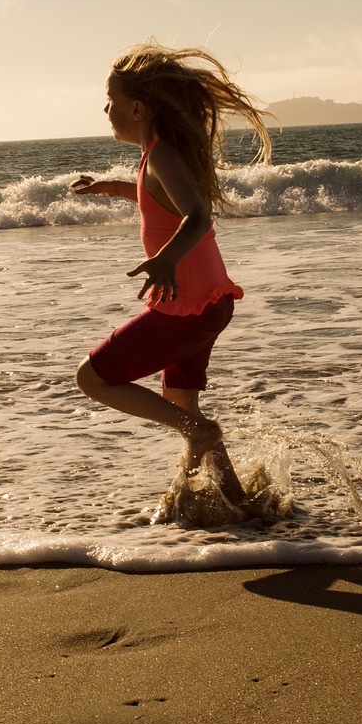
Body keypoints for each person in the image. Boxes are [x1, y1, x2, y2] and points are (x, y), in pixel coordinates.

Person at [71, 41, 272, 509]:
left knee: (92, 379)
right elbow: (156, 199)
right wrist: (113, 187)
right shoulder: (157, 156)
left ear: (137, 108)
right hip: (210, 304)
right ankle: (238, 506)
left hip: (186, 308)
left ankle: (199, 435)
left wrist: (164, 259)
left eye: (111, 101)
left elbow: (196, 217)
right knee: (181, 403)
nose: (105, 109)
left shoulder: (161, 155)